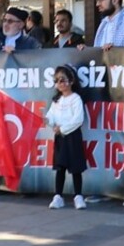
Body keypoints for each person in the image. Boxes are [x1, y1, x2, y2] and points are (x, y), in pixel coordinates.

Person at [46, 64, 87, 210]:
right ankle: (58, 196)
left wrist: (62, 128)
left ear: (71, 81)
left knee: (76, 168)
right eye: (57, 81)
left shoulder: (76, 99)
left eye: (63, 80)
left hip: (73, 137)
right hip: (60, 138)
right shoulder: (56, 100)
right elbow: (51, 116)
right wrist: (48, 121)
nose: (60, 84)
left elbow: (78, 119)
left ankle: (78, 196)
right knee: (60, 167)